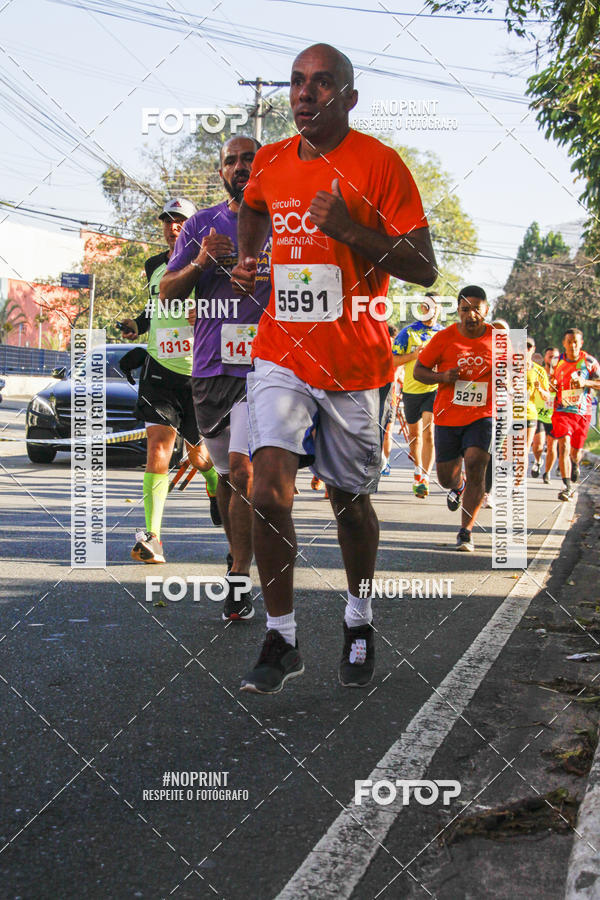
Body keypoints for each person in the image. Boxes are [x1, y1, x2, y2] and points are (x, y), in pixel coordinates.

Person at [230, 42, 436, 693]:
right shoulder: (271, 161)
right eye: (297, 83)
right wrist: (249, 256)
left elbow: (424, 267)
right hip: (280, 351)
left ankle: (358, 616)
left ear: (348, 96)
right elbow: (254, 208)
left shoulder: (381, 165)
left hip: (354, 361)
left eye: (321, 84)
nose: (305, 94)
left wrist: (350, 230)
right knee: (265, 490)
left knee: (351, 503)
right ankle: (282, 634)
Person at [160, 137, 271, 619]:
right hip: (211, 369)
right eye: (232, 160)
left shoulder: (286, 223)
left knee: (245, 472)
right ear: (221, 170)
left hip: (268, 367)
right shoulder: (202, 224)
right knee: (227, 476)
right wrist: (202, 260)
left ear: (264, 165)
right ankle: (237, 554)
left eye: (250, 159)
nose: (241, 166)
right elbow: (167, 293)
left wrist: (269, 276)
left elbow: (320, 286)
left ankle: (239, 577)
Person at [120, 198, 218, 564]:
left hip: (199, 372)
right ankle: (154, 538)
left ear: (194, 227)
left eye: (181, 221)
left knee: (201, 456)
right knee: (158, 448)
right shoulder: (154, 266)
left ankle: (213, 484)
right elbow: (154, 306)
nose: (173, 227)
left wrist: (205, 315)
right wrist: (137, 325)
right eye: (168, 221)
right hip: (159, 367)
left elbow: (232, 308)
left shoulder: (209, 267)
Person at [414, 286, 493, 552]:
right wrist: (441, 377)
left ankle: (466, 532)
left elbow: (515, 374)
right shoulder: (444, 337)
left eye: (476, 309)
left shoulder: (501, 339)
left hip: (483, 414)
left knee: (475, 463)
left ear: (486, 309)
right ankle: (457, 488)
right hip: (448, 416)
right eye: (464, 310)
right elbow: (418, 371)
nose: (471, 315)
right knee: (447, 477)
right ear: (458, 311)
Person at [392, 294, 442, 497]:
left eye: (436, 306)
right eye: (427, 306)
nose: (432, 309)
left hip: (434, 389)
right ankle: (417, 469)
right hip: (411, 390)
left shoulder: (442, 334)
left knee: (429, 432)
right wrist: (414, 355)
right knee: (415, 435)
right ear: (422, 308)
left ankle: (425, 478)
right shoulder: (408, 332)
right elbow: (393, 361)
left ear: (439, 309)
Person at [550, 328, 600, 501]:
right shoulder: (556, 361)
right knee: (563, 444)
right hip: (562, 410)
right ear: (563, 343)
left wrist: (584, 382)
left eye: (575, 342)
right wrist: (552, 385)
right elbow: (552, 383)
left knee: (575, 450)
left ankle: (575, 463)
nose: (572, 345)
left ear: (581, 343)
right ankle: (566, 486)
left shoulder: (590, 362)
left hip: (582, 413)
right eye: (569, 341)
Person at [522, 336, 551, 482]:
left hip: (529, 413)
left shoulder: (539, 371)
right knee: (507, 453)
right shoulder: (508, 367)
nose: (525, 349)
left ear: (533, 349)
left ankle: (518, 483)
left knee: (524, 451)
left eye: (528, 346)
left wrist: (541, 390)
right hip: (509, 413)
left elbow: (547, 397)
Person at [531, 345, 557, 481]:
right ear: (545, 358)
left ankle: (547, 473)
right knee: (538, 444)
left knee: (552, 446)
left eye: (556, 357)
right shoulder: (539, 371)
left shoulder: (562, 372)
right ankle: (537, 460)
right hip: (540, 413)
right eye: (550, 356)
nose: (553, 359)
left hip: (555, 414)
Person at [381, 323, 400, 476]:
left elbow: (400, 375)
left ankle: (385, 462)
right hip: (372, 398)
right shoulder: (374, 354)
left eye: (392, 340)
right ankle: (377, 461)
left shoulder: (396, 357)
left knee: (388, 433)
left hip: (391, 399)